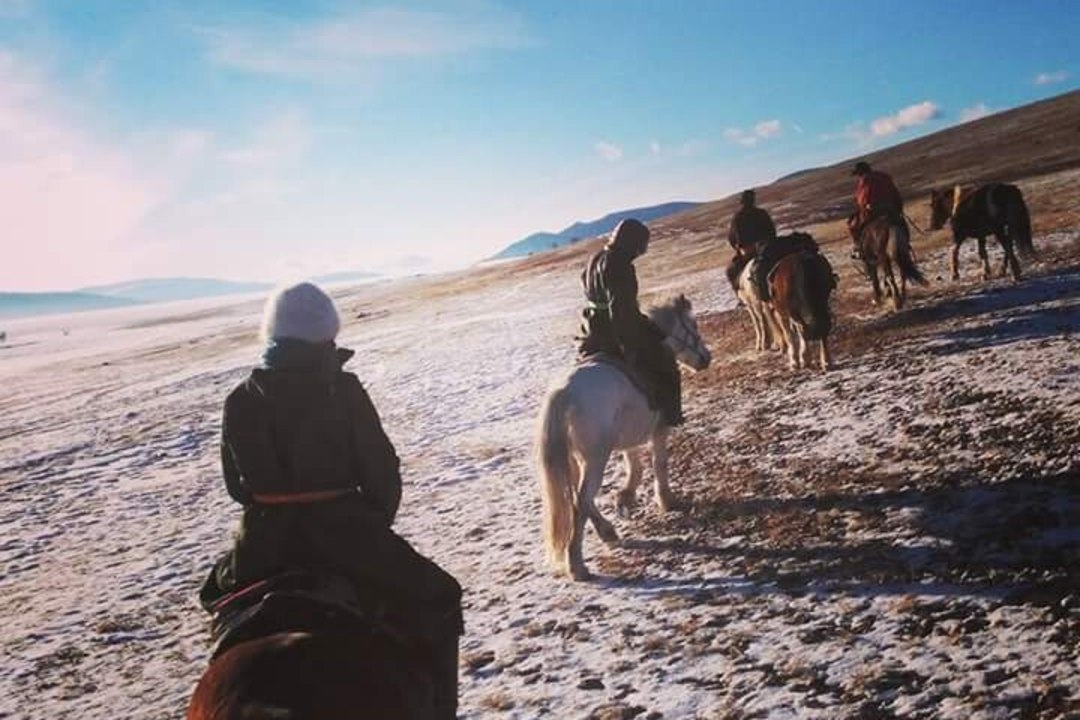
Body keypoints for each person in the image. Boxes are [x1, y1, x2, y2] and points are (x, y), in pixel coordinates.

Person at [200, 281, 463, 719]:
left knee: (219, 601)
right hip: (347, 532)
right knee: (440, 598)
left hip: (262, 542)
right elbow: (381, 471)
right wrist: (370, 521)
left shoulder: (239, 399)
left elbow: (236, 487)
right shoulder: (344, 390)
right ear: (325, 335)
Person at [578, 218, 684, 427]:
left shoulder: (595, 258)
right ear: (632, 243)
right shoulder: (621, 264)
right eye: (641, 245)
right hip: (614, 332)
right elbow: (622, 311)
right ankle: (670, 416)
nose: (641, 251)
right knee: (666, 362)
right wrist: (648, 330)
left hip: (591, 332)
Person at [849, 160, 908, 257]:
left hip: (873, 210)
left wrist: (863, 205)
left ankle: (859, 248)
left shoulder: (864, 180)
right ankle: (906, 243)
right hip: (891, 208)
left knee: (854, 226)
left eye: (858, 174)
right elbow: (895, 192)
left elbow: (862, 198)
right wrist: (898, 208)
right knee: (901, 222)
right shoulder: (884, 176)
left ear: (860, 173)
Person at [725, 189, 777, 294]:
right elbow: (772, 230)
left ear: (742, 202)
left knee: (731, 271)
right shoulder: (762, 213)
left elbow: (733, 237)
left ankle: (740, 295)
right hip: (768, 245)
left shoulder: (738, 217)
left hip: (749, 249)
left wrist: (738, 247)